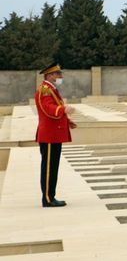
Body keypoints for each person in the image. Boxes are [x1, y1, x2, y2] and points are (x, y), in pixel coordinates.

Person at [35, 62, 76, 207]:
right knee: (48, 168)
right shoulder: (45, 90)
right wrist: (63, 109)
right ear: (50, 75)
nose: (60, 76)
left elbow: (52, 109)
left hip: (53, 134)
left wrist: (67, 120)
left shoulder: (51, 89)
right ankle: (47, 198)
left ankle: (50, 196)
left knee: (53, 167)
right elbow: (47, 108)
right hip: (49, 136)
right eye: (58, 74)